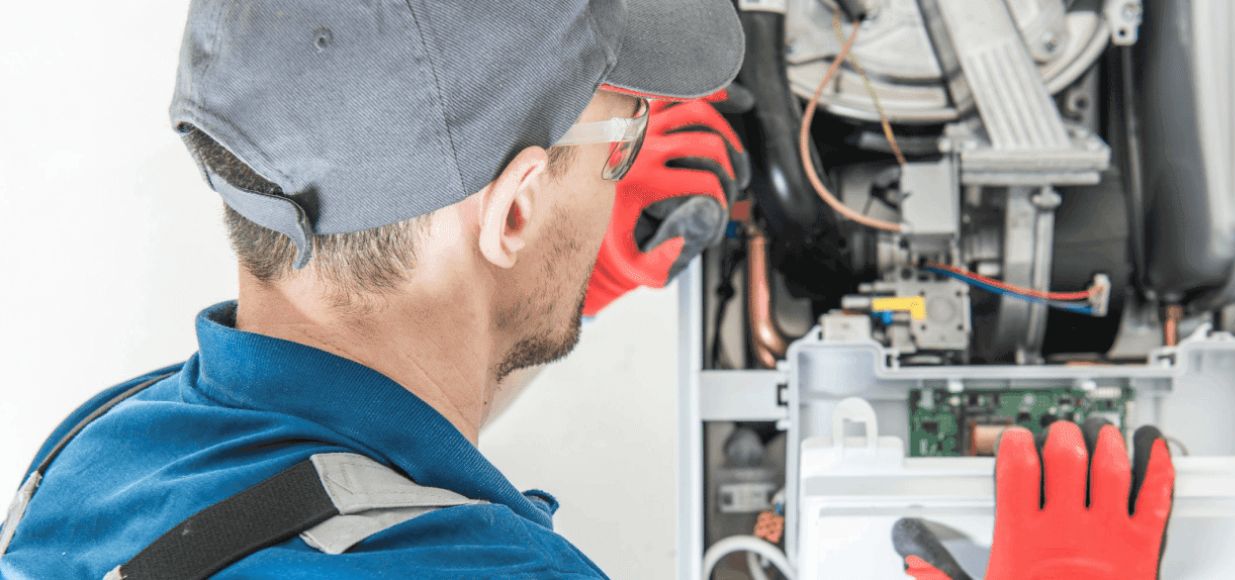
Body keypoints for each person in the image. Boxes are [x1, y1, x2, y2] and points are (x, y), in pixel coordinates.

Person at [0, 0, 744, 577]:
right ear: (516, 209)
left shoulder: (99, 451)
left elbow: (363, 472)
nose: (623, 172)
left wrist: (551, 281)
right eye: (624, 141)